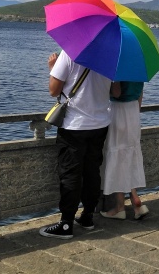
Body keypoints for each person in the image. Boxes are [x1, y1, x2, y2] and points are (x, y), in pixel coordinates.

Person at [39, 51, 112, 240]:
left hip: (74, 126)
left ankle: (66, 224)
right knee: (92, 171)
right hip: (100, 124)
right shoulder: (109, 56)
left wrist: (53, 68)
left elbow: (53, 91)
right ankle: (87, 216)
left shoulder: (70, 54)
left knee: (70, 173)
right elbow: (114, 91)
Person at [100, 81, 150, 221]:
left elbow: (117, 93)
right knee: (130, 156)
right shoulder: (138, 71)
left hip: (118, 111)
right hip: (133, 111)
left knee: (117, 157)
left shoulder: (117, 71)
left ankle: (119, 207)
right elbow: (140, 95)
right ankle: (135, 199)